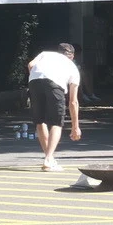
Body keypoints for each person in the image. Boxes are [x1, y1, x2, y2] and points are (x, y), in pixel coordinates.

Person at [26, 42, 82, 171]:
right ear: (72, 56)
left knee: (40, 121)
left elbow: (30, 65)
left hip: (34, 80)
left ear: (58, 52)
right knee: (56, 122)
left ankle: (49, 158)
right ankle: (48, 159)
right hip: (55, 84)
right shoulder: (73, 68)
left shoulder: (46, 54)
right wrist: (75, 127)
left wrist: (37, 76)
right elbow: (73, 102)